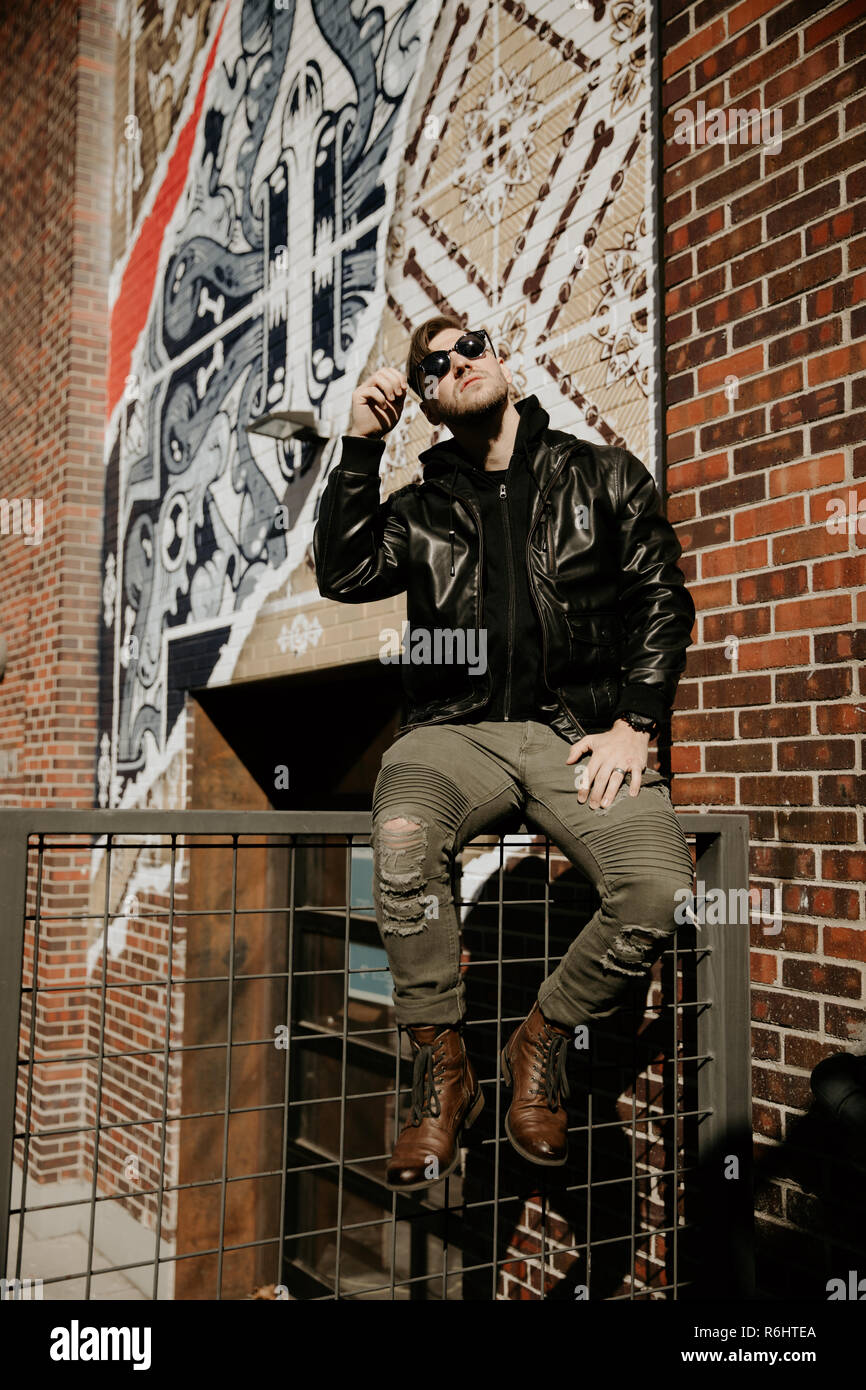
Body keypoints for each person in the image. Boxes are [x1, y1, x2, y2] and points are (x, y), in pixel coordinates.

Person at [313, 316, 696, 1190]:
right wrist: (359, 449)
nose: (458, 361)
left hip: (582, 732)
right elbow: (343, 573)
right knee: (403, 834)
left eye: (470, 344)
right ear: (430, 401)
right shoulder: (420, 507)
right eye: (434, 365)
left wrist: (637, 722)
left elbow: (661, 599)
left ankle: (541, 1040)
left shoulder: (601, 475)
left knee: (657, 887)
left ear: (503, 362)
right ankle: (444, 1070)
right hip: (455, 731)